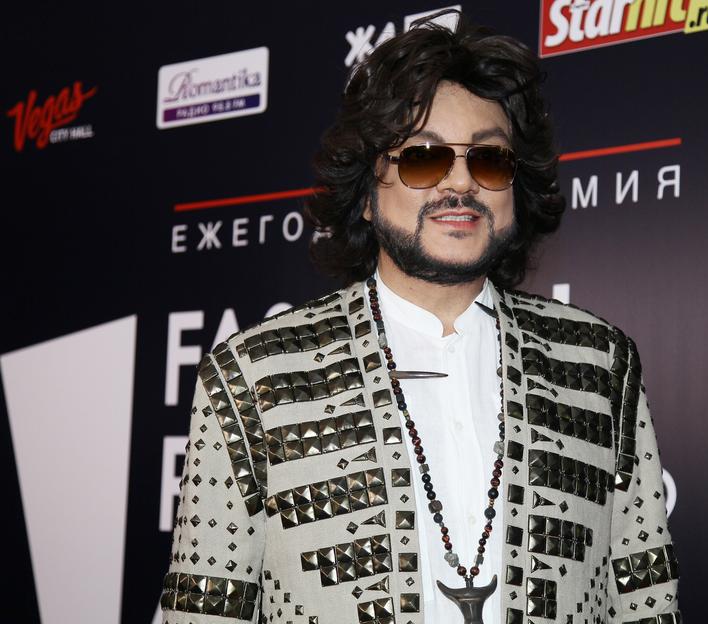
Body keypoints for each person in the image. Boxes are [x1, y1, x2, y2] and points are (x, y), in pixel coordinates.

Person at [160, 11, 680, 624]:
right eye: (424, 158)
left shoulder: (600, 366)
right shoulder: (253, 377)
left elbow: (646, 604)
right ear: (367, 187)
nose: (460, 183)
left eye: (489, 159)